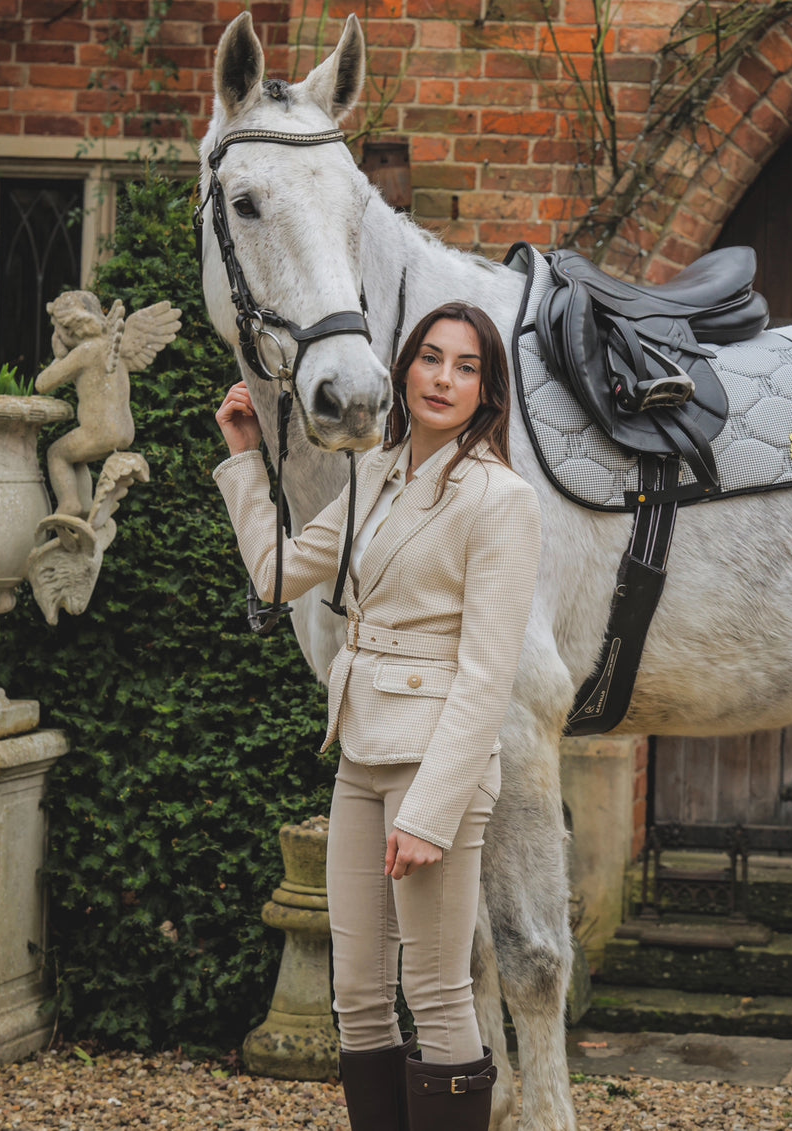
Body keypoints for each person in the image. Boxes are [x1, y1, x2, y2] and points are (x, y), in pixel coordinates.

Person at [214, 301, 541, 1131]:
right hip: (360, 752)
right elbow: (275, 571)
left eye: (465, 366)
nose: (442, 377)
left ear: (487, 390)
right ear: (403, 369)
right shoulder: (373, 471)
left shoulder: (501, 500)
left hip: (437, 767)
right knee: (357, 993)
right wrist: (246, 460)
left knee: (436, 990)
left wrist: (431, 811)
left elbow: (486, 675)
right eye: (430, 357)